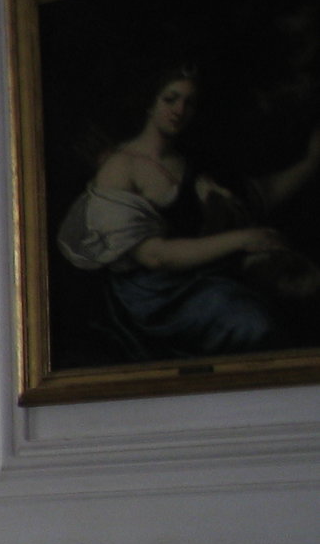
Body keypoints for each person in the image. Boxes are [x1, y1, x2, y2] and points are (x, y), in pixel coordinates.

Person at [55, 67, 320, 359]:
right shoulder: (120, 168)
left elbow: (258, 197)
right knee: (251, 322)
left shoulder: (191, 161)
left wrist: (310, 163)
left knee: (302, 288)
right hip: (157, 298)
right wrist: (242, 239)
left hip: (202, 277)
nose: (179, 109)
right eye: (171, 99)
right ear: (150, 102)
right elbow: (155, 256)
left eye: (189, 102)